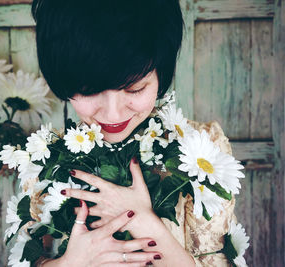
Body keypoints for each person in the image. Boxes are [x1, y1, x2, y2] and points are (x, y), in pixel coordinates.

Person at [30, 0, 236, 266]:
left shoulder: (203, 148)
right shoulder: (43, 157)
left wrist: (141, 220)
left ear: (162, 74)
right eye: (89, 90)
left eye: (135, 88)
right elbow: (27, 253)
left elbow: (218, 260)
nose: (113, 114)